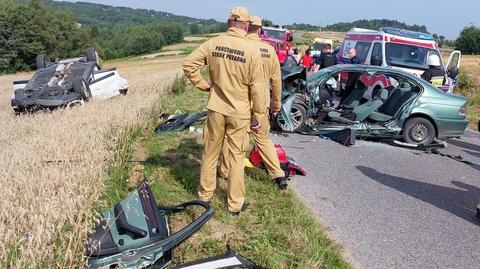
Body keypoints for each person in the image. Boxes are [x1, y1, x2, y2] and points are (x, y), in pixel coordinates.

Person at [182, 6, 266, 215]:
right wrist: (259, 114)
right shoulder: (252, 50)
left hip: (216, 108)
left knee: (210, 153)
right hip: (240, 111)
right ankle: (234, 205)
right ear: (246, 25)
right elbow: (257, 87)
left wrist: (204, 85)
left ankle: (204, 197)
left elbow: (189, 64)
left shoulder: (213, 43)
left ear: (229, 23)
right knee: (237, 157)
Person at [219, 15, 288, 190]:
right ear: (260, 28)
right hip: (261, 103)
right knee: (263, 139)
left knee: (230, 138)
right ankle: (278, 175)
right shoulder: (269, 50)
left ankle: (226, 172)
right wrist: (276, 103)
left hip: (239, 102)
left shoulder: (240, 47)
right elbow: (276, 81)